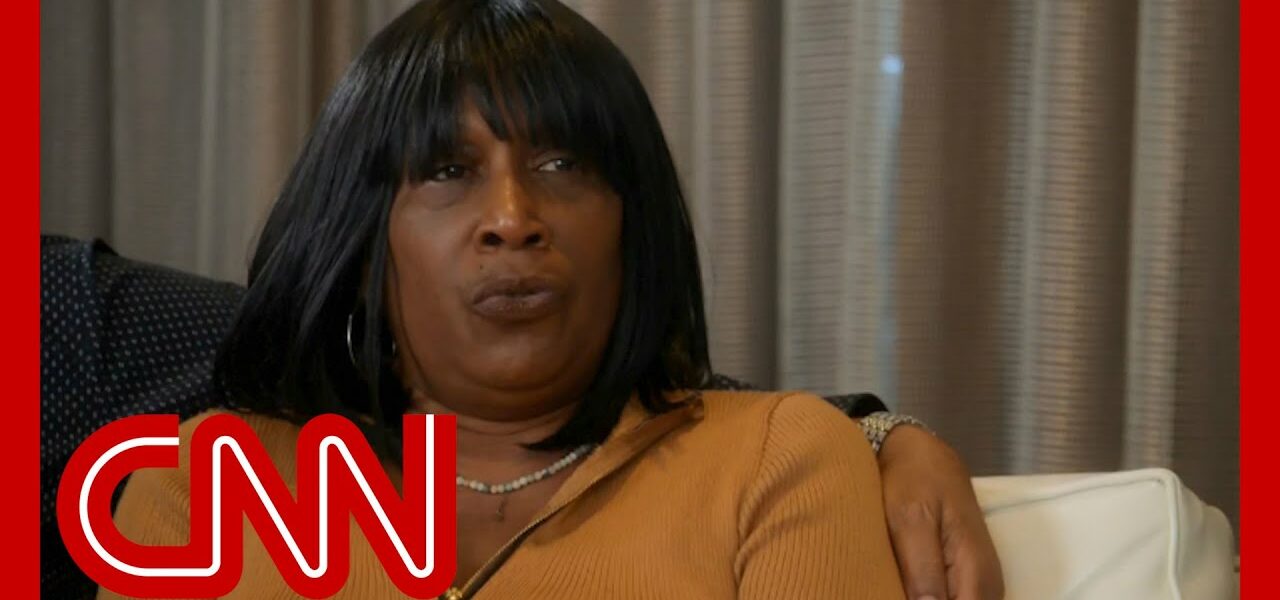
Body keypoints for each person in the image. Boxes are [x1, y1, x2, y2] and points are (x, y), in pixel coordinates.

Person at [104, 1, 1002, 598]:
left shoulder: (784, 460)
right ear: (366, 242)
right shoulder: (199, 480)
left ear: (631, 224)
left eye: (563, 164)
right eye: (448, 171)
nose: (512, 220)